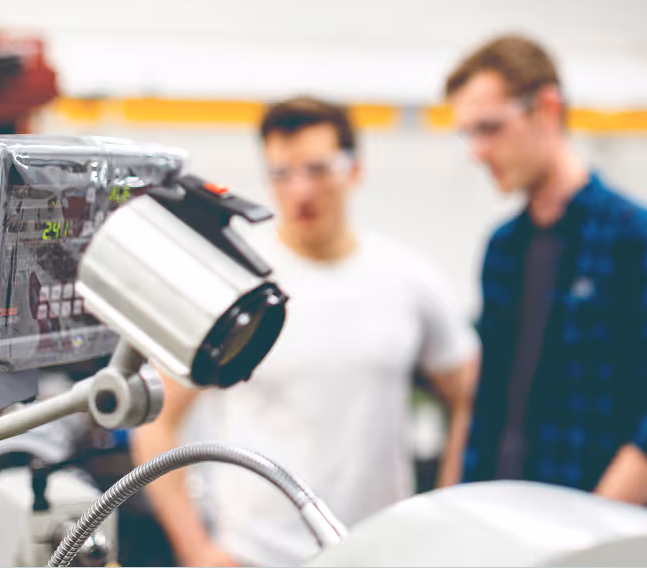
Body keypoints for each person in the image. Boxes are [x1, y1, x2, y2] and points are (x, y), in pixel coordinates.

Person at [131, 97, 481, 567]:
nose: (300, 190)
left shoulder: (408, 281)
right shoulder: (234, 284)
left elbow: (470, 397)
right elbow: (154, 417)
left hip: (377, 554)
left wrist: (445, 519)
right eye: (282, 173)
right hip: (256, 557)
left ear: (354, 170)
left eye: (318, 170)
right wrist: (198, 551)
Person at [443, 35, 647, 510]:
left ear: (545, 108)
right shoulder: (503, 249)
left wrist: (584, 540)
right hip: (510, 527)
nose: (478, 150)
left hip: (608, 541)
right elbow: (488, 410)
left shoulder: (639, 238)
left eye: (490, 128)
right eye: (469, 134)